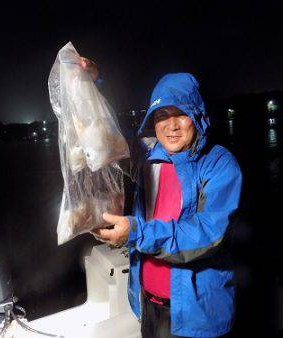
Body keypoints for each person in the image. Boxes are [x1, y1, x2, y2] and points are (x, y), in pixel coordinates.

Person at [83, 60, 242, 337]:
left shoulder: (220, 165)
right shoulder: (147, 157)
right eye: (161, 115)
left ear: (197, 116)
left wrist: (136, 232)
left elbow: (207, 233)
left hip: (197, 318)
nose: (171, 126)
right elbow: (108, 133)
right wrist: (90, 83)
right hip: (148, 306)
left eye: (181, 114)